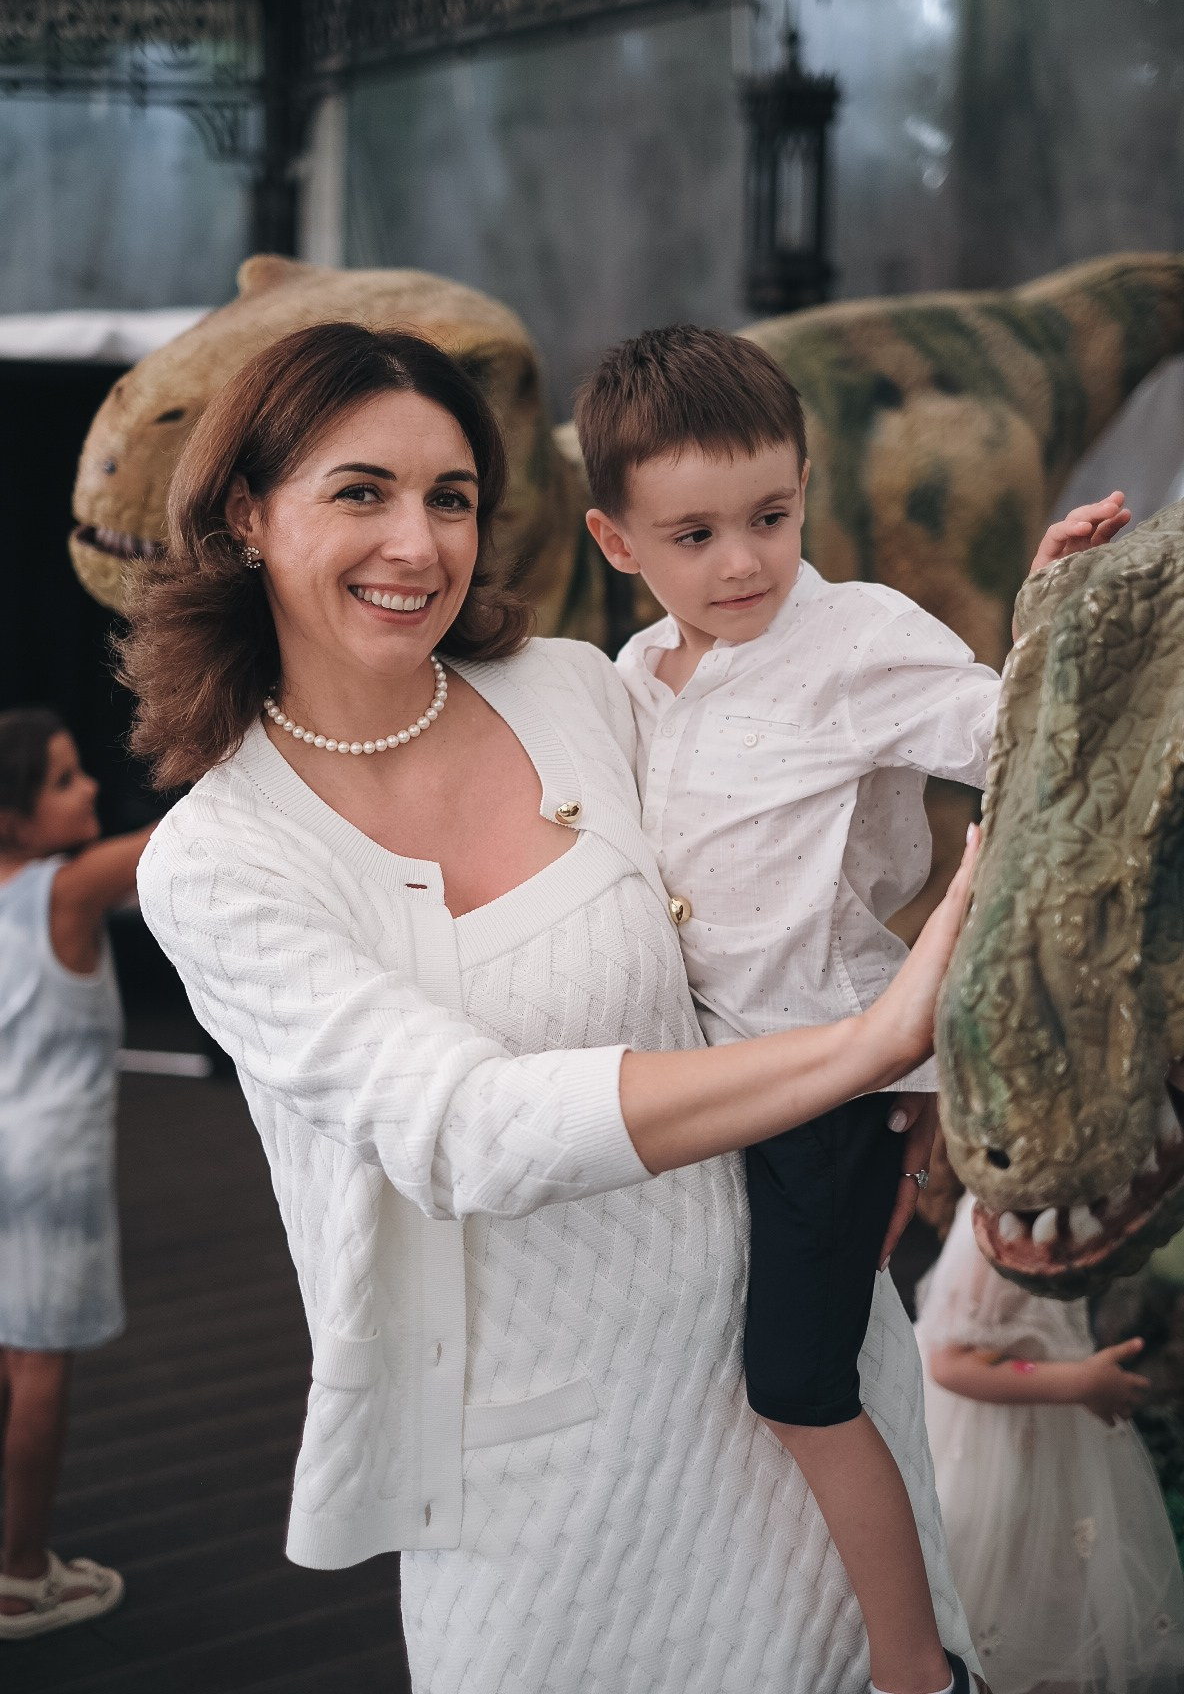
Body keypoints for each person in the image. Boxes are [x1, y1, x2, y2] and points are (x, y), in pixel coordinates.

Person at [124, 321, 980, 1694]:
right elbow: (462, 1129)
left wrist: (889, 1082)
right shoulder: (219, 863)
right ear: (245, 513)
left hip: (793, 1373)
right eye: (362, 492)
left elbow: (763, 869)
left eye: (450, 497)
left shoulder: (579, 689)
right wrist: (860, 1050)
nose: (418, 544)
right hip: (537, 1469)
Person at [575, 323, 1129, 1694]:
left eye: (770, 516)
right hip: (698, 1077)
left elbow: (1007, 734)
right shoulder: (636, 676)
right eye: (694, 534)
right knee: (691, 1363)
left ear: (805, 486)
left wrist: (1048, 610)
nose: (743, 561)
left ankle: (913, 1669)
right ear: (617, 542)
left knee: (797, 1384)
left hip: (828, 1076)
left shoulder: (856, 638)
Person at [0, 710, 153, 1639]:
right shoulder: (69, 889)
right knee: (40, 1364)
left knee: (7, 1353)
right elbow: (187, 833)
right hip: (50, 1167)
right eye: (63, 780)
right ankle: (20, 1576)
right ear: (13, 819)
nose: (90, 784)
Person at [916, 1186, 1184, 1693]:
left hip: (1052, 1434)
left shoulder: (1062, 1205)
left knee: (1054, 1585)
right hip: (989, 1444)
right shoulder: (1000, 1220)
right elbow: (948, 1364)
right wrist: (1079, 1382)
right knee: (989, 1581)